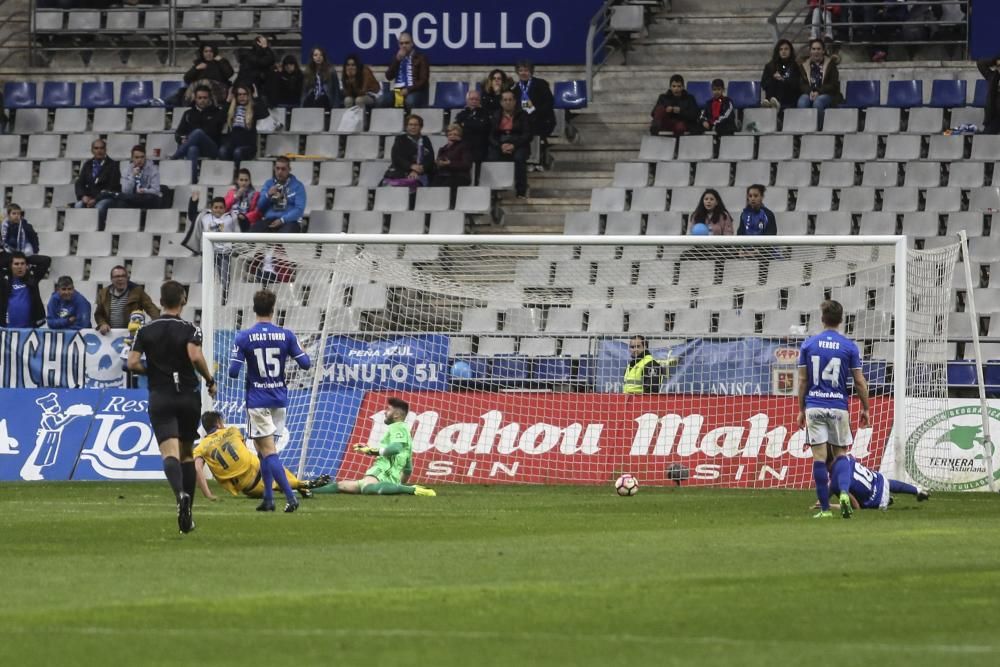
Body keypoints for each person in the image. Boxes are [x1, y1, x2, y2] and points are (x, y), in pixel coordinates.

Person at [127, 280, 217, 534]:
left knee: (169, 454)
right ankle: (188, 514)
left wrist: (152, 371)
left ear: (160, 301)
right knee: (187, 453)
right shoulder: (191, 328)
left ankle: (180, 496)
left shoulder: (145, 331)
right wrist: (209, 380)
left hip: (161, 396)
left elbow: (132, 363)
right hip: (188, 396)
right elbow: (195, 355)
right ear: (184, 300)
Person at [227, 289, 312, 512]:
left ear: (254, 309)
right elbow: (306, 364)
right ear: (273, 310)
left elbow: (233, 371)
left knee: (267, 449)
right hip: (279, 398)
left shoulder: (244, 337)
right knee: (262, 448)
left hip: (258, 400)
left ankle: (290, 497)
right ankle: (268, 498)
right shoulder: (287, 335)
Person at [797, 299, 870, 518]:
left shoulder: (809, 345)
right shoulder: (849, 347)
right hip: (838, 406)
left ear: (822, 319)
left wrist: (801, 409)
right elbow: (859, 382)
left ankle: (826, 510)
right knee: (841, 456)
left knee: (819, 458)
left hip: (815, 405)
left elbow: (802, 380)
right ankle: (845, 493)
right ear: (841, 320)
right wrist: (865, 408)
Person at [313, 397, 435, 496]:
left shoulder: (397, 427)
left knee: (367, 489)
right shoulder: (405, 432)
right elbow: (408, 469)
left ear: (397, 415)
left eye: (388, 409)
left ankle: (412, 490)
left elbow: (395, 448)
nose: (385, 412)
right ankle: (306, 490)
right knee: (340, 485)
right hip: (383, 476)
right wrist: (397, 485)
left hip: (382, 472)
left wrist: (371, 451)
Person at [193, 412, 330, 501]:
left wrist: (208, 494)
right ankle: (304, 484)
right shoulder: (232, 430)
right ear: (218, 424)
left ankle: (302, 487)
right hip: (258, 471)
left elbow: (197, 469)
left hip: (249, 488)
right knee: (272, 464)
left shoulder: (201, 447)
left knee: (276, 478)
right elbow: (243, 450)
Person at [826, 451, 929, 516]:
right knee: (887, 482)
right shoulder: (848, 458)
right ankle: (917, 490)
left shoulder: (837, 484)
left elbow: (855, 507)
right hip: (878, 481)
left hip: (876, 501)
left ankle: (887, 500)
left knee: (859, 502)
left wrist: (830, 506)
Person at [184, 192, 239, 298]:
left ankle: (224, 301)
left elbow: (241, 226)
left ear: (225, 208)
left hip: (224, 253)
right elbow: (192, 217)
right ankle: (201, 298)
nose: (218, 210)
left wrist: (242, 218)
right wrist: (193, 202)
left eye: (221, 207)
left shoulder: (230, 218)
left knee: (224, 279)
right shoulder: (205, 217)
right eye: (216, 207)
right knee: (204, 278)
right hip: (209, 253)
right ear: (211, 208)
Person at [171, 85, 226, 183]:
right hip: (193, 145)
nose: (202, 100)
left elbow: (213, 132)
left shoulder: (217, 112)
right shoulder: (188, 113)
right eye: (199, 98)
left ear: (209, 98)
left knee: (198, 132)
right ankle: (193, 181)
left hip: (211, 147)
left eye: (205, 98)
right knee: (192, 149)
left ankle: (176, 156)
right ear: (195, 98)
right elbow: (178, 133)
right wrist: (181, 139)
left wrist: (189, 138)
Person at [488, 89, 532, 199]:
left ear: (514, 101)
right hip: (500, 143)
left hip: (518, 143)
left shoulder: (523, 114)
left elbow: (527, 134)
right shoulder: (496, 115)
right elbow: (491, 135)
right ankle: (494, 190)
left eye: (510, 100)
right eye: (505, 100)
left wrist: (514, 145)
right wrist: (500, 146)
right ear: (501, 102)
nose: (508, 102)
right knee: (492, 157)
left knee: (519, 158)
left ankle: (521, 191)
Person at [94, 265, 160, 334]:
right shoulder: (104, 293)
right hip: (111, 334)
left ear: (127, 278)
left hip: (132, 333)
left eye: (123, 276)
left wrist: (157, 323)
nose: (120, 279)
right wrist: (102, 323)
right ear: (111, 279)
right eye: (117, 276)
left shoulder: (137, 291)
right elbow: (98, 314)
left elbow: (151, 308)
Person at [74, 138, 121, 229]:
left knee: (100, 206)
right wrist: (83, 196)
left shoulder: (113, 165)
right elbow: (79, 183)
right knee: (78, 205)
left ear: (105, 149)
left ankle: (98, 231)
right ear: (92, 150)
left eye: (101, 148)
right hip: (90, 198)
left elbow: (111, 187)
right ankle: (81, 230)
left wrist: (96, 199)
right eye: (96, 148)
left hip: (107, 198)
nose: (99, 151)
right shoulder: (87, 164)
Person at [797, 39, 843, 129]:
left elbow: (833, 85)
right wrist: (810, 92)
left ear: (823, 51)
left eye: (818, 49)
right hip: (810, 93)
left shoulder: (831, 65)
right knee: (802, 102)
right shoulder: (803, 66)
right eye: (813, 49)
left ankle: (818, 129)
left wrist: (818, 92)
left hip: (829, 94)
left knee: (818, 102)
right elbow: (802, 84)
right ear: (810, 51)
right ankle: (805, 129)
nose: (816, 52)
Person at [253, 157, 306, 233]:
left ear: (289, 169)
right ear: (274, 168)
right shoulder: (268, 184)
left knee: (285, 235)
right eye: (277, 168)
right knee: (253, 231)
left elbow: (299, 210)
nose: (280, 172)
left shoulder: (298, 186)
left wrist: (282, 220)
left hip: (289, 221)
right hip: (270, 220)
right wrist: (268, 195)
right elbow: (260, 207)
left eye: (283, 169)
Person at [218, 84, 268, 167]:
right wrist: (228, 101)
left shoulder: (253, 109)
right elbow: (219, 119)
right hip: (232, 144)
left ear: (249, 96)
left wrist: (256, 98)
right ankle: (228, 174)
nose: (242, 97)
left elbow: (264, 114)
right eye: (239, 95)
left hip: (248, 146)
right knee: (222, 150)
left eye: (245, 94)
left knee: (238, 152)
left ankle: (238, 175)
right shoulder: (231, 109)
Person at [382, 114, 435, 188]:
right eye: (410, 124)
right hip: (403, 171)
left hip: (421, 172)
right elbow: (396, 157)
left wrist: (418, 170)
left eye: (416, 125)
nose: (413, 127)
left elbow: (430, 158)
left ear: (421, 127)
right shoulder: (400, 139)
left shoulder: (425, 140)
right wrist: (411, 166)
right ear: (406, 126)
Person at [1, 203, 50, 277]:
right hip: (9, 253)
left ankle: (33, 280)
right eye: (14, 213)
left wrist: (35, 251)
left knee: (45, 260)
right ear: (8, 215)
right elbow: (3, 242)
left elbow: (34, 239)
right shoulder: (3, 227)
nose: (17, 216)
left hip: (25, 253)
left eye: (18, 213)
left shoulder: (26, 226)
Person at [513, 60, 556, 141]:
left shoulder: (541, 84)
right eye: (520, 70)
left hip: (541, 119)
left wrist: (533, 112)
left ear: (531, 71)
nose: (523, 73)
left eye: (526, 70)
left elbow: (549, 103)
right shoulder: (516, 87)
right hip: (523, 121)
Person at [385, 32, 429, 109]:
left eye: (407, 43)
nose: (404, 46)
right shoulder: (396, 58)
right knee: (383, 100)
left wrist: (408, 89)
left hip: (415, 91)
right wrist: (397, 60)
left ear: (412, 44)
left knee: (410, 101)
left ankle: (410, 119)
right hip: (399, 91)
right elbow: (388, 76)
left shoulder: (420, 58)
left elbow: (423, 80)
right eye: (401, 43)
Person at [0, 252, 45, 328]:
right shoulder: (4, 280)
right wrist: (10, 258)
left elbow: (45, 260)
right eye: (16, 264)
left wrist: (26, 258)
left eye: (22, 263)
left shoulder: (32, 278)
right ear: (10, 266)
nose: (20, 267)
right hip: (7, 329)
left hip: (30, 329)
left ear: (26, 265)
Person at [113, 145, 162, 211]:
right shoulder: (126, 170)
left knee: (150, 198)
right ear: (132, 158)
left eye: (142, 157)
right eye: (136, 157)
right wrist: (133, 176)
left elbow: (156, 190)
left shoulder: (153, 169)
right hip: (132, 198)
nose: (139, 160)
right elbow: (125, 191)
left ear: (145, 157)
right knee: (120, 203)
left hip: (147, 197)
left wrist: (144, 190)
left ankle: (113, 195)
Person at [453, 89, 492, 169]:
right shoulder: (461, 114)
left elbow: (483, 127)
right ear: (467, 101)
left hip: (480, 145)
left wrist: (466, 124)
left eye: (476, 99)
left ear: (479, 101)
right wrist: (475, 124)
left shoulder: (485, 113)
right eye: (472, 99)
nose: (474, 101)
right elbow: (456, 127)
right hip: (464, 144)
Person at [761, 39, 803, 111]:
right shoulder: (770, 66)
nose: (783, 51)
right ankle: (771, 103)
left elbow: (797, 85)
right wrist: (773, 78)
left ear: (790, 51)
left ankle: (774, 105)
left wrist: (783, 79)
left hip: (789, 96)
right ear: (778, 51)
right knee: (773, 81)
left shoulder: (795, 66)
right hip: (773, 94)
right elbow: (763, 84)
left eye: (786, 49)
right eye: (781, 49)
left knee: (781, 82)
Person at [235, 35, 277, 104]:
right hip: (249, 88)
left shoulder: (251, 55)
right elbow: (267, 61)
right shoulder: (252, 56)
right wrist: (266, 48)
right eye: (263, 42)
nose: (266, 44)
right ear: (258, 43)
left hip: (250, 87)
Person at [431, 124, 473, 191]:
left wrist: (450, 163)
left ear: (460, 136)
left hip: (460, 176)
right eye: (450, 134)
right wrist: (438, 164)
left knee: (446, 186)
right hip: (444, 175)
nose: (452, 136)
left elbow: (467, 164)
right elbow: (439, 163)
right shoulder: (443, 149)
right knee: (433, 186)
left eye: (455, 134)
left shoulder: (464, 146)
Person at [224, 168, 261, 232]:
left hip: (246, 222)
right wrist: (235, 196)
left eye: (246, 180)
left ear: (249, 181)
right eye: (241, 180)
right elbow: (224, 207)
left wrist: (245, 217)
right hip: (231, 219)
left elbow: (257, 212)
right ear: (237, 181)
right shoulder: (231, 193)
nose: (244, 183)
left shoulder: (255, 194)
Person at [977, 55, 1000, 135]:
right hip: (994, 118)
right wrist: (995, 60)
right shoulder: (992, 76)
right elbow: (980, 63)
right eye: (999, 66)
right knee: (984, 137)